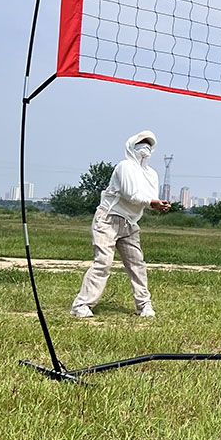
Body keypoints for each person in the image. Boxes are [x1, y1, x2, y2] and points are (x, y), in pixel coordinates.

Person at [69, 130, 170, 319]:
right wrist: (151, 203)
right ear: (132, 145)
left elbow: (149, 198)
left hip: (130, 224)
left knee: (137, 265)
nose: (145, 148)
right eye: (141, 143)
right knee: (103, 262)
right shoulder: (124, 166)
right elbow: (130, 194)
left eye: (149, 144)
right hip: (108, 219)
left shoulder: (152, 174)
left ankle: (143, 305)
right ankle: (81, 304)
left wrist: (157, 205)